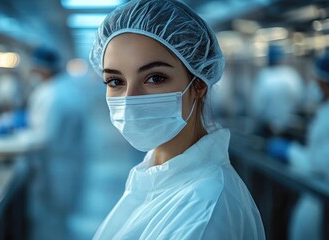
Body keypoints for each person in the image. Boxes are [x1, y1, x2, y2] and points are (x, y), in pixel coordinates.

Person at [88, 0, 265, 239]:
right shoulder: (157, 174)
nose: (130, 99)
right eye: (115, 81)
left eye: (155, 78)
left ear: (199, 84)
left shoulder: (206, 210)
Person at [268, 51, 329, 240]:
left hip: (325, 205)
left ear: (324, 83)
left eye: (317, 81)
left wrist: (290, 152)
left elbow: (322, 170)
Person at [18, 48, 86, 240]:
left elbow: (45, 137)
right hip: (64, 162)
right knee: (58, 219)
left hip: (55, 166)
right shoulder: (63, 88)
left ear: (44, 69)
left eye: (35, 69)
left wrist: (14, 139)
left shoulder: (53, 95)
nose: (33, 73)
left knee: (50, 222)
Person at [251, 44, 304, 138]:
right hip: (290, 126)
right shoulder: (291, 74)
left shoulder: (265, 76)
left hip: (269, 128)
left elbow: (258, 106)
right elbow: (299, 99)